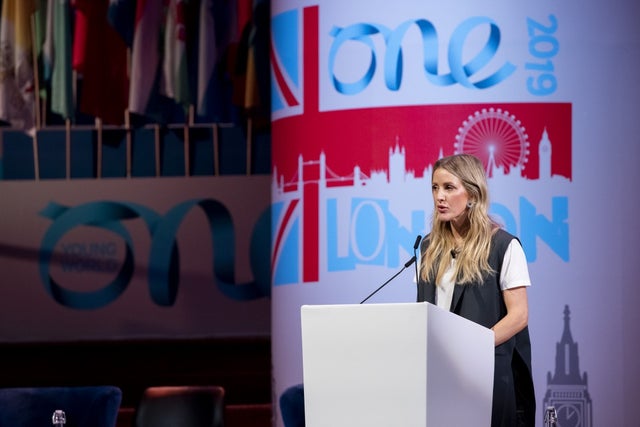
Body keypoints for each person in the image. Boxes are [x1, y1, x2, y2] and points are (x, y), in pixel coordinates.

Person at [417, 153, 536, 427]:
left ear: (472, 193)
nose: (439, 197)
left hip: (488, 377)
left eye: (449, 187)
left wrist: (474, 346)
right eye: (435, 188)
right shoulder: (428, 247)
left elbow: (519, 316)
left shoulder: (504, 246)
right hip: (440, 379)